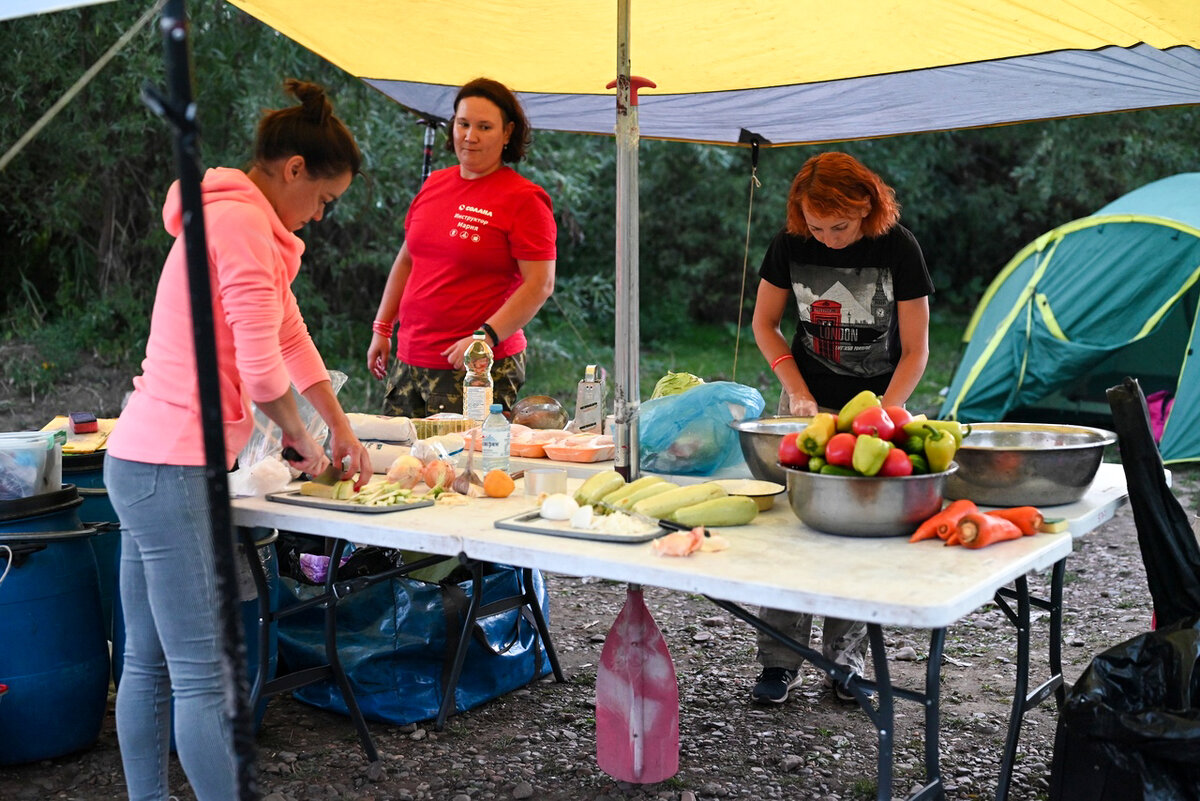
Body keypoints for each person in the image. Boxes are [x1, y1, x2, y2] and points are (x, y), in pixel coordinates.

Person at [103, 79, 372, 800]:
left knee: (150, 664)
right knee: (200, 678)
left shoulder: (232, 220)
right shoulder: (244, 227)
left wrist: (338, 425)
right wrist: (304, 442)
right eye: (324, 199)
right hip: (174, 465)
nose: (320, 215)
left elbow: (287, 333)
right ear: (293, 170)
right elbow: (260, 374)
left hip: (139, 456)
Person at [749, 151, 933, 704]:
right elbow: (765, 324)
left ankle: (845, 663)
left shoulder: (898, 247)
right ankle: (780, 661)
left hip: (878, 403)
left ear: (867, 209)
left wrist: (885, 414)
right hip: (804, 402)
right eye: (816, 225)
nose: (827, 238)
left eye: (841, 226)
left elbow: (917, 348)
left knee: (856, 535)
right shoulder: (789, 246)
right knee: (793, 530)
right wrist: (799, 392)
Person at [367, 77, 556, 417]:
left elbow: (540, 283)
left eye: (484, 126)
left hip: (475, 366)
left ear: (508, 133)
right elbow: (408, 259)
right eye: (463, 123)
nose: (470, 136)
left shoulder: (524, 199)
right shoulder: (435, 183)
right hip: (409, 360)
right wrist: (382, 327)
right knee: (402, 467)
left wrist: (485, 337)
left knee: (463, 467)